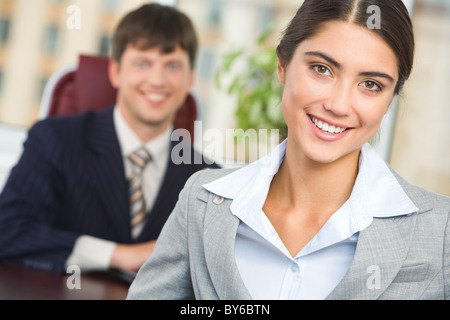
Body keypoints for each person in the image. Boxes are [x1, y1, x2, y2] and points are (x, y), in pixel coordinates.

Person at [127, 0, 450, 300]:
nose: (338, 105)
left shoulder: (441, 232)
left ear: (390, 98)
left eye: (371, 85)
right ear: (283, 65)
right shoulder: (202, 202)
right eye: (322, 69)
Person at [0, 3, 218, 275]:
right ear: (115, 72)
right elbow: (7, 230)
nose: (157, 80)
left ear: (190, 80)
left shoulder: (209, 180)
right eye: (142, 63)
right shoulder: (54, 139)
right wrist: (119, 255)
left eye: (172, 65)